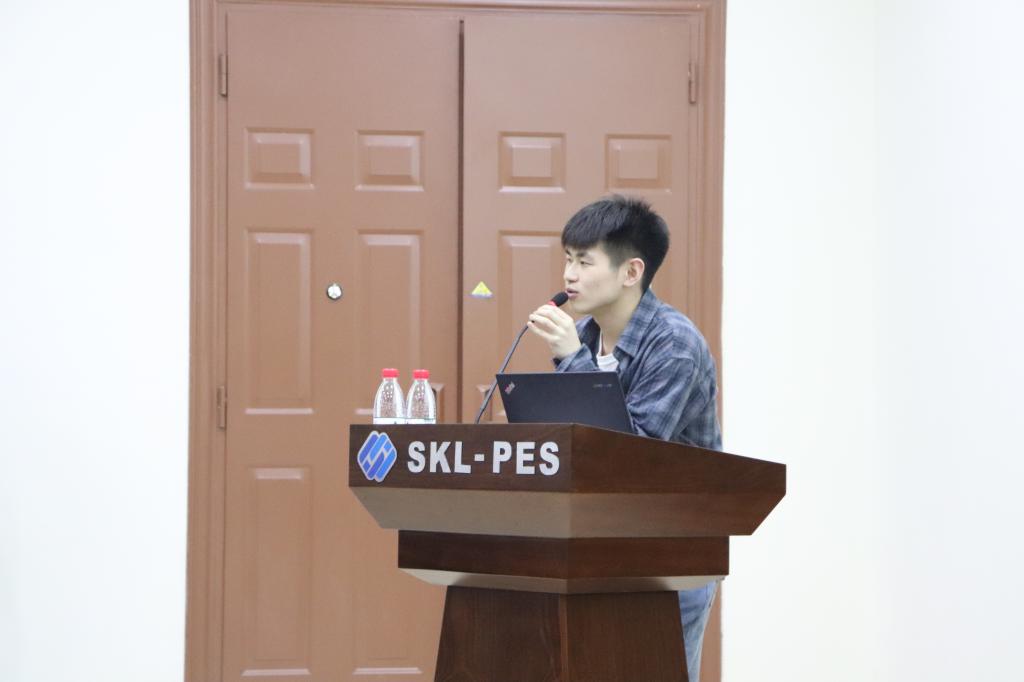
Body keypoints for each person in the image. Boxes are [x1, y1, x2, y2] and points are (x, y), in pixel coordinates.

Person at [526, 195, 722, 681]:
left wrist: (572, 360)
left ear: (631, 272)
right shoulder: (587, 336)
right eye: (567, 259)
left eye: (584, 261)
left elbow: (629, 455)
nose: (568, 275)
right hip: (599, 547)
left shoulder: (674, 343)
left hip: (670, 554)